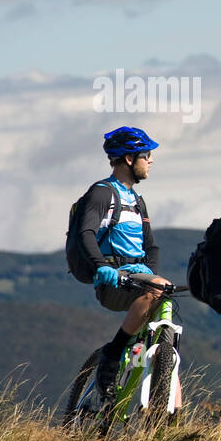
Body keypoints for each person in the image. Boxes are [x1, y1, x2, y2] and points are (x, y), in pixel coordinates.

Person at [76, 126, 179, 404]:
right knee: (159, 289)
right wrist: (100, 267)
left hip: (139, 278)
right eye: (147, 154)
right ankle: (113, 352)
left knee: (166, 303)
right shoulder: (102, 193)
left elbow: (151, 246)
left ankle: (167, 406)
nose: (151, 160)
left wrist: (150, 273)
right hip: (113, 279)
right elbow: (85, 233)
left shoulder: (137, 200)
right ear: (129, 159)